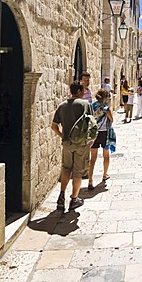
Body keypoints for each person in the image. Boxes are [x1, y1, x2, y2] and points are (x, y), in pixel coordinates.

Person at [51, 81, 95, 211]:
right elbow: (92, 124)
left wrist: (63, 136)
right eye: (83, 91)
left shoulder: (62, 105)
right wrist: (91, 140)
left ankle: (61, 196)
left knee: (66, 169)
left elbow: (54, 126)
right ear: (80, 91)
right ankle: (74, 199)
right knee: (78, 172)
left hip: (67, 143)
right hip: (81, 144)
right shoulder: (85, 104)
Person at [89, 89, 113, 189]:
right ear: (105, 98)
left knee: (93, 159)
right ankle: (104, 174)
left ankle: (90, 180)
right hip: (104, 133)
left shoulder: (92, 106)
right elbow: (112, 120)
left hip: (94, 134)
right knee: (106, 156)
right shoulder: (106, 108)